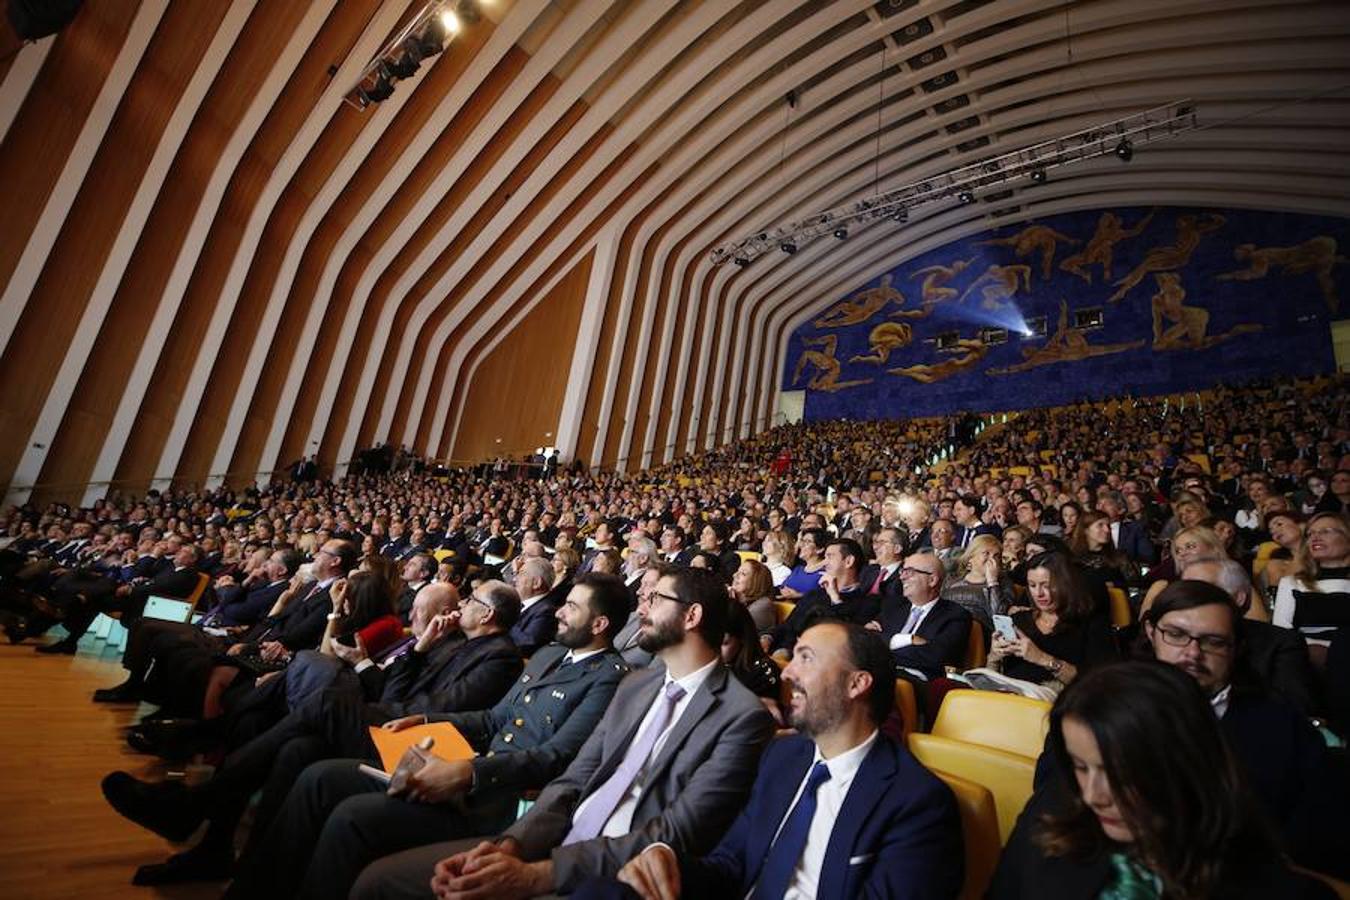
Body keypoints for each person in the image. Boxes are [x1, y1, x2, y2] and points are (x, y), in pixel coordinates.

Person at [348, 567, 776, 899]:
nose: (641, 610)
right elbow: (572, 781)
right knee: (376, 882)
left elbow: (675, 835)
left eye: (654, 599)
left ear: (692, 615)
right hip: (547, 842)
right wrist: (512, 847)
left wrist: (535, 875)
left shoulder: (741, 717)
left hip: (607, 877)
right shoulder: (637, 687)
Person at [222, 573, 634, 900]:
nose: (558, 612)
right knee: (319, 776)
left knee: (352, 816)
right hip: (456, 765)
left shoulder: (610, 678)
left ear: (599, 624)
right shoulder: (548, 655)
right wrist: (422, 720)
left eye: (572, 608)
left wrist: (467, 771)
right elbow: (492, 719)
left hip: (492, 798)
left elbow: (556, 756)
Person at [100, 581, 524, 884]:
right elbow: (398, 689)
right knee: (296, 750)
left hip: (414, 743)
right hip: (390, 721)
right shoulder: (451, 643)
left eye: (470, 600)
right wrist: (420, 649)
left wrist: (373, 706)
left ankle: (193, 799)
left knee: (322, 700)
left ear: (486, 614)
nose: (461, 604)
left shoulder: (499, 658)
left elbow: (434, 712)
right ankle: (231, 860)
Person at [577, 622, 964, 900]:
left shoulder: (918, 802)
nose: (789, 673)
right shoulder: (782, 756)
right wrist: (667, 862)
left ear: (856, 684)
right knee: (604, 889)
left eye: (806, 659)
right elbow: (732, 864)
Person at [992, 662, 1334, 899]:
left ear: (1187, 766)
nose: (1095, 795)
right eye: (1081, 767)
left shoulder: (1288, 893)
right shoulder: (1050, 816)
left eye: (1122, 773)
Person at [1140, 580, 1347, 876]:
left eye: (1213, 641)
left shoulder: (1283, 727)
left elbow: (1318, 840)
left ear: (1237, 647)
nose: (1192, 654)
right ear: (1151, 632)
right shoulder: (1103, 709)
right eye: (1175, 635)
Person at [987, 552, 1116, 692]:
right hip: (1007, 698)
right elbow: (994, 679)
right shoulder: (1019, 620)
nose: (1039, 593)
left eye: (1046, 585)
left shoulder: (1091, 624)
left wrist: (1042, 659)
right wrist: (995, 656)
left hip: (1057, 704)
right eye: (1032, 585)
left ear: (1066, 584)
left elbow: (1099, 684)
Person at [769, 538, 878, 656]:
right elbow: (788, 625)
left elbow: (845, 638)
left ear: (849, 561)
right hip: (787, 652)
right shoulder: (815, 594)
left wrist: (835, 598)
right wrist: (768, 637)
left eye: (830, 557)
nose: (824, 562)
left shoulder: (868, 602)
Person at [877, 550, 972, 682]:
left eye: (909, 572)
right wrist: (907, 640)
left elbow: (937, 656)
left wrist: (884, 652)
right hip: (882, 671)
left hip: (918, 682)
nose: (902, 577)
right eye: (902, 571)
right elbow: (871, 638)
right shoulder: (893, 607)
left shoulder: (956, 615)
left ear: (932, 580)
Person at [1273, 511, 1350, 666]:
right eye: (1310, 534)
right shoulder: (1291, 583)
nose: (1315, 537)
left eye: (1326, 531)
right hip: (1307, 660)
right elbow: (1281, 634)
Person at [940, 533, 1013, 642]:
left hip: (982, 639)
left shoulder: (1003, 583)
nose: (991, 559)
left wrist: (992, 582)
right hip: (947, 634)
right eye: (986, 553)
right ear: (970, 558)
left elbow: (1000, 617)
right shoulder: (951, 581)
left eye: (996, 555)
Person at [507, 557, 562, 656]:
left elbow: (527, 644)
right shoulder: (517, 603)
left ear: (536, 583)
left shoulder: (547, 611)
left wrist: (504, 619)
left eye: (521, 574)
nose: (515, 579)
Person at [729, 557, 776, 633]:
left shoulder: (763, 604)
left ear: (757, 581)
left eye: (743, 574)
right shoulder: (736, 599)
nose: (734, 575)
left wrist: (730, 604)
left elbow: (734, 632)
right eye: (737, 571)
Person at [778, 527, 827, 599]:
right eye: (802, 541)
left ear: (819, 549)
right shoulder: (798, 569)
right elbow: (782, 587)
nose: (801, 545)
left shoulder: (824, 574)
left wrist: (800, 595)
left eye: (807, 541)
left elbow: (823, 598)